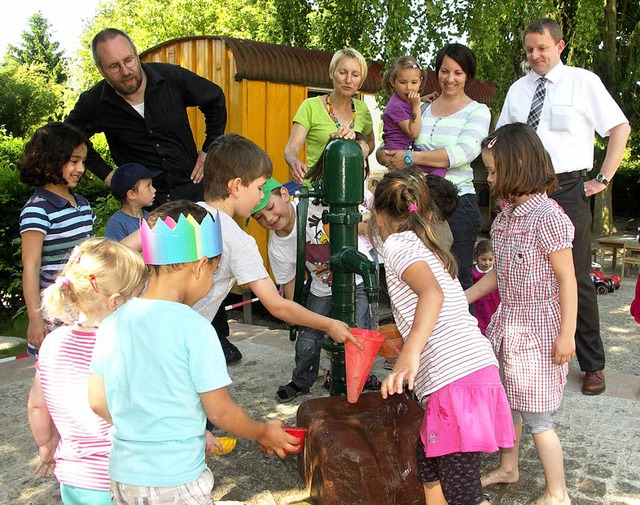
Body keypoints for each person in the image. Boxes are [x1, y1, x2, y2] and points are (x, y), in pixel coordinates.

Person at [88, 201, 300, 504]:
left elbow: (97, 401)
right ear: (200, 266)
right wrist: (263, 432)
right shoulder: (196, 329)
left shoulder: (114, 320)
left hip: (124, 476)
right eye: (213, 271)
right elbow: (221, 412)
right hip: (176, 479)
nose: (212, 278)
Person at [65, 27, 234, 363]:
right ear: (101, 70)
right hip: (147, 200)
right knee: (159, 273)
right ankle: (164, 348)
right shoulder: (95, 102)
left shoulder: (169, 78)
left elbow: (214, 99)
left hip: (190, 190)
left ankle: (217, 339)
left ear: (136, 54)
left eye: (128, 60)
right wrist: (106, 172)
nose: (125, 70)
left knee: (205, 265)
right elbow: (70, 133)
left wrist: (208, 150)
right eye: (114, 66)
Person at [496, 18, 631, 395]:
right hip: (521, 190)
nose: (535, 55)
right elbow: (501, 141)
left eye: (542, 48)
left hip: (569, 186)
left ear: (560, 45)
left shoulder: (582, 82)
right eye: (529, 50)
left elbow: (619, 128)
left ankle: (591, 363)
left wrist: (603, 178)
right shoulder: (518, 91)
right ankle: (522, 350)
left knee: (575, 274)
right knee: (519, 270)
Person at [373, 168, 514, 505]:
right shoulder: (425, 245)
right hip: (474, 370)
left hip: (454, 379)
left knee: (463, 493)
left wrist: (410, 353)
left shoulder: (395, 244)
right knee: (429, 463)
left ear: (378, 216)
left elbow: (432, 295)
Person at [466, 123, 577, 505]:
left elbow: (568, 280)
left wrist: (567, 334)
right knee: (506, 402)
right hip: (508, 323)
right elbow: (499, 273)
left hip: (538, 329)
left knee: (537, 416)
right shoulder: (505, 218)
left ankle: (558, 492)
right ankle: (509, 467)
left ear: (516, 166)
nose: (491, 179)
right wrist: (463, 296)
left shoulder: (548, 217)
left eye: (494, 171)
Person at [190, 133, 362, 372]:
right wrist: (330, 324)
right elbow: (278, 306)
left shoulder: (189, 212)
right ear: (236, 186)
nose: (261, 196)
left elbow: (130, 245)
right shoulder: (239, 241)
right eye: (259, 188)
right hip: (185, 339)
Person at [28, 237, 147, 505]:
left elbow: (37, 406)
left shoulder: (53, 343)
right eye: (137, 295)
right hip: (123, 478)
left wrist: (46, 443)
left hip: (73, 479)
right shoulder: (123, 345)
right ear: (116, 301)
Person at [378, 43, 490, 290]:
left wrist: (409, 158)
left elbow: (461, 153)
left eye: (458, 73)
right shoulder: (423, 108)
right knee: (419, 283)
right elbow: (392, 141)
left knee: (456, 283)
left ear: (468, 76)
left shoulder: (477, 111)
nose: (450, 79)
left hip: (457, 203)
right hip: (418, 202)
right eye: (444, 71)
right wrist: (383, 155)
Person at [273, 139, 380, 402]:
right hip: (321, 286)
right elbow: (290, 265)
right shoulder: (306, 207)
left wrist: (360, 219)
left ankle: (355, 376)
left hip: (356, 282)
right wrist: (291, 308)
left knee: (359, 333)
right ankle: (301, 380)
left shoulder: (358, 201)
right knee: (308, 340)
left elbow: (373, 220)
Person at [18, 122, 95, 356]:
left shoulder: (82, 204)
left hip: (85, 310)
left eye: (82, 161)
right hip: (56, 316)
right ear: (50, 158)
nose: (80, 168)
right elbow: (30, 266)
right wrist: (35, 318)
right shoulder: (38, 210)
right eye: (73, 161)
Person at [285, 47, 375, 184]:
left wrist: (361, 147)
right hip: (316, 192)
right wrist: (294, 161)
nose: (348, 80)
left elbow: (371, 143)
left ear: (361, 80)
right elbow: (292, 148)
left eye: (355, 75)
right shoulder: (310, 106)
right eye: (342, 72)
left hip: (353, 189)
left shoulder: (362, 110)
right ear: (332, 73)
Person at [382, 56, 446, 177]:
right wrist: (417, 105)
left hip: (405, 152)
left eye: (414, 82)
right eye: (403, 82)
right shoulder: (396, 106)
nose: (409, 87)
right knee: (439, 168)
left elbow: (406, 105)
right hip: (398, 157)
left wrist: (422, 98)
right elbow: (413, 132)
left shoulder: (400, 101)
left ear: (420, 81)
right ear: (392, 82)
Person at [250, 177, 298, 300]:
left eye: (271, 207)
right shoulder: (276, 248)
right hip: (320, 288)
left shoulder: (312, 208)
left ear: (284, 195)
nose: (269, 218)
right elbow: (289, 288)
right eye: (259, 217)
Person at [104, 163, 160, 241]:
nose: (154, 190)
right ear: (131, 194)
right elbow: (114, 252)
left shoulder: (151, 218)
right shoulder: (116, 223)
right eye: (148, 186)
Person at [472, 239, 500, 335]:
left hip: (493, 305)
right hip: (479, 306)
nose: (487, 263)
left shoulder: (496, 272)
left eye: (490, 259)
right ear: (477, 257)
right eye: (483, 259)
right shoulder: (473, 272)